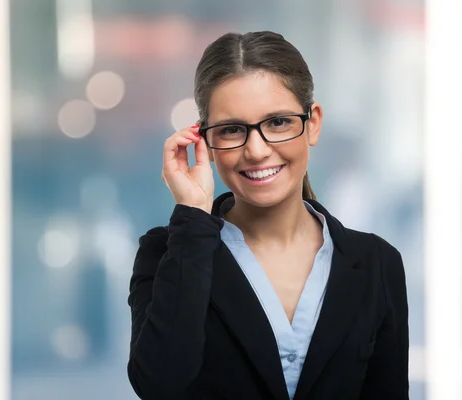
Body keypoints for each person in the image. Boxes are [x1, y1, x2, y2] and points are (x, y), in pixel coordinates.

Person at [127, 31, 409, 400]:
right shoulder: (169, 253)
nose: (256, 151)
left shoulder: (377, 263)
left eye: (277, 122)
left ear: (313, 124)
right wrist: (192, 215)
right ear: (204, 141)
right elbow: (159, 385)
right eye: (231, 130)